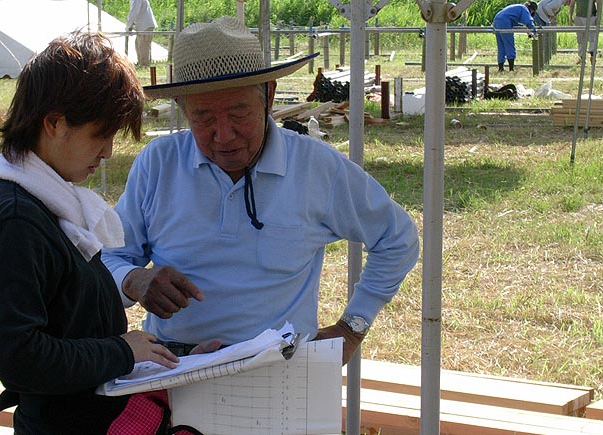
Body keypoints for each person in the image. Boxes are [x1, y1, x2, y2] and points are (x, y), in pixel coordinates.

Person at [101, 16, 420, 366]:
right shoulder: (158, 164)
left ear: (268, 95)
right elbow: (110, 257)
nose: (223, 135)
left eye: (239, 113)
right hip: (177, 367)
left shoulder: (315, 166)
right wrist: (134, 279)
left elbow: (397, 237)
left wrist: (353, 327)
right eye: (204, 117)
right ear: (181, 107)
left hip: (281, 369)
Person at [0, 31, 181, 434]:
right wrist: (120, 351)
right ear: (55, 123)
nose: (107, 153)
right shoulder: (16, 220)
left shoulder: (53, 207)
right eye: (101, 134)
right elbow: (17, 356)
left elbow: (75, 325)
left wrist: (164, 359)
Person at [493, 1, 538, 72]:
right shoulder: (524, 9)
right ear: (531, 9)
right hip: (505, 22)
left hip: (496, 20)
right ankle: (511, 68)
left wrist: (527, 29)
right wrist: (535, 31)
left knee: (501, 45)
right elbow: (528, 21)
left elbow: (516, 23)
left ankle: (501, 68)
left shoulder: (518, 7)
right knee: (509, 44)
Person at [125, 0, 157, 67]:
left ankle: (144, 65)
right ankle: (140, 63)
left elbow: (134, 12)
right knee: (138, 45)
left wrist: (128, 26)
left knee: (143, 46)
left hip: (145, 25)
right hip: (142, 26)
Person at [569, 0, 602, 64]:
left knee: (592, 37)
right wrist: (570, 17)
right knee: (580, 38)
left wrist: (598, 16)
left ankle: (592, 55)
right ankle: (582, 57)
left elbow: (599, 3)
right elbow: (572, 4)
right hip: (579, 17)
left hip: (591, 17)